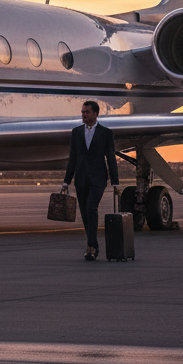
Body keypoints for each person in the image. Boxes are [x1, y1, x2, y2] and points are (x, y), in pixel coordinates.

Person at [61, 100, 119, 261]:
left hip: (98, 178)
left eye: (87, 112)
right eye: (82, 112)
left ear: (95, 114)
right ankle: (92, 244)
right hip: (81, 178)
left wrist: (115, 181)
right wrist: (66, 181)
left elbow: (111, 157)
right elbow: (72, 158)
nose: (84, 115)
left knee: (91, 208)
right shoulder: (76, 132)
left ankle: (91, 246)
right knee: (85, 213)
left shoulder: (105, 133)